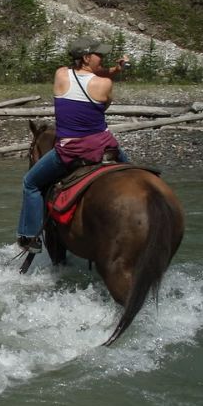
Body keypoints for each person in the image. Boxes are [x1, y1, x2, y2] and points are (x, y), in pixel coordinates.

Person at [16, 36, 130, 253]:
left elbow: (88, 76)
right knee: (134, 170)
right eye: (99, 55)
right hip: (105, 146)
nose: (103, 58)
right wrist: (115, 71)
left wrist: (113, 69)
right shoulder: (105, 84)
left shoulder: (60, 74)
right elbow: (101, 97)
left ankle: (29, 237)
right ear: (86, 57)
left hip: (70, 151)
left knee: (30, 183)